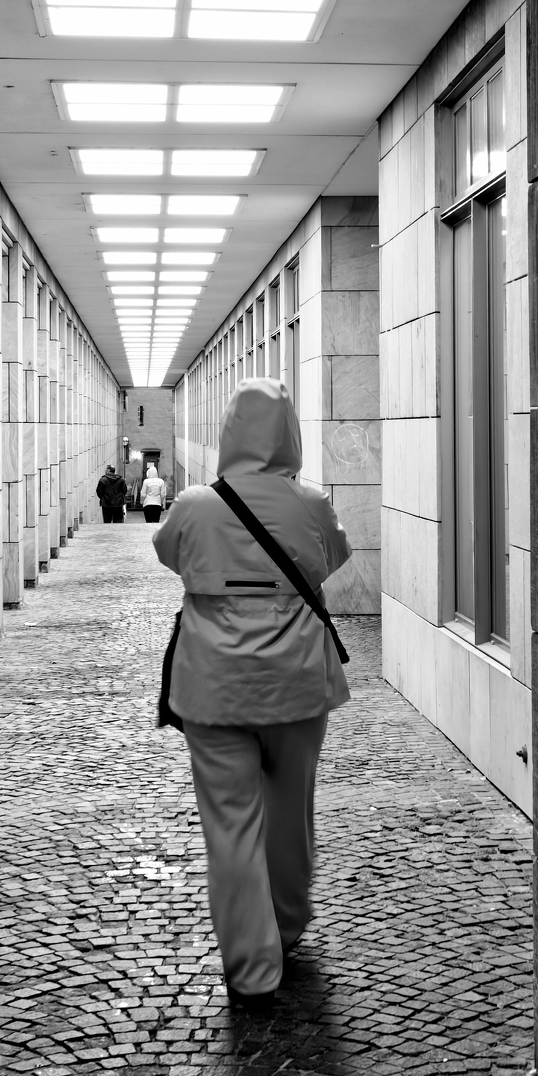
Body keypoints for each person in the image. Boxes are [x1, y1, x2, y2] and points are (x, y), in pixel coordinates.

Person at [154, 380, 350, 1008]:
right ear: (288, 431)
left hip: (214, 690)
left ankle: (251, 966)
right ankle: (288, 924)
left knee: (231, 826)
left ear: (230, 434)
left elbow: (167, 553)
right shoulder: (312, 503)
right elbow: (334, 558)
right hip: (295, 684)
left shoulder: (193, 504)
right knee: (291, 808)